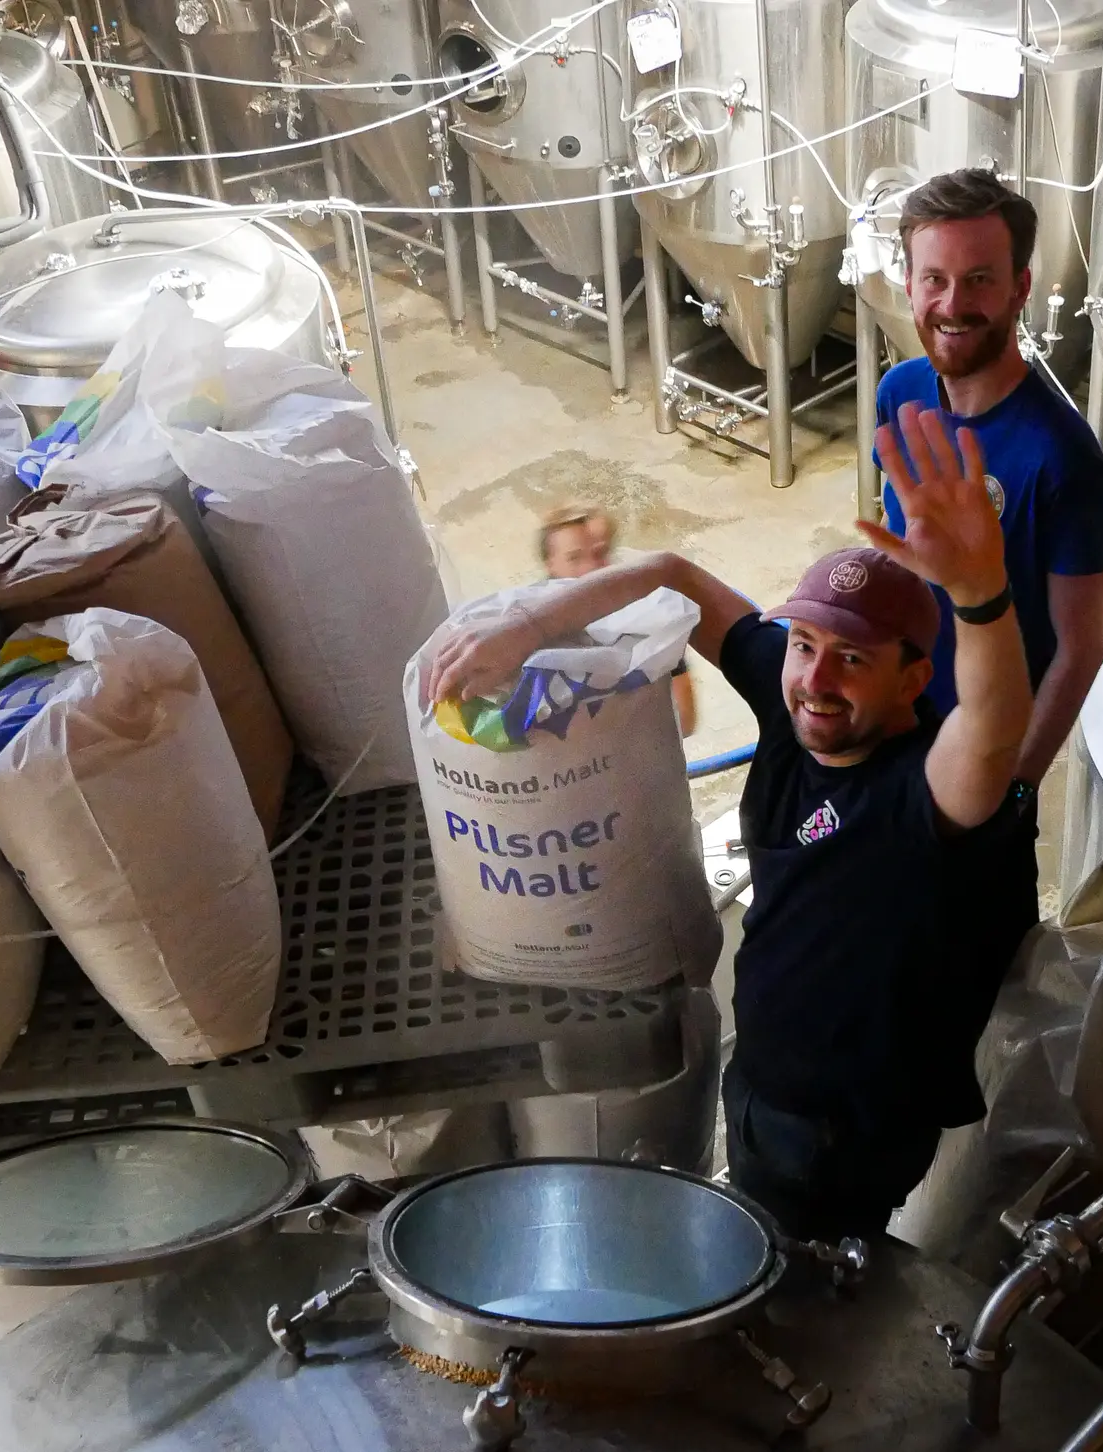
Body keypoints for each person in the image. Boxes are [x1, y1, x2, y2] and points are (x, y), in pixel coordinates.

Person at [430, 404, 1037, 1240]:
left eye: (852, 659)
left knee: (799, 1282)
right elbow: (674, 574)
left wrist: (981, 597)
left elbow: (995, 731)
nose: (815, 679)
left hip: (839, 1138)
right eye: (805, 643)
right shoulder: (794, 709)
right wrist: (532, 624)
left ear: (911, 680)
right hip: (761, 1083)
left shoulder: (919, 792)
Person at [877, 168, 1103, 796]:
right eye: (934, 279)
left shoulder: (1063, 458)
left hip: (982, 753)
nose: (952, 305)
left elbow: (1081, 651)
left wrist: (1014, 788)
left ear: (1020, 288)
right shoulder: (898, 393)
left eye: (979, 279)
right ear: (909, 283)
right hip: (890, 724)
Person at [539, 503, 697, 737]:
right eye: (574, 558)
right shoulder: (529, 629)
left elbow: (685, 719)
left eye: (599, 553)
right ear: (550, 564)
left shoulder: (648, 618)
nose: (591, 568)